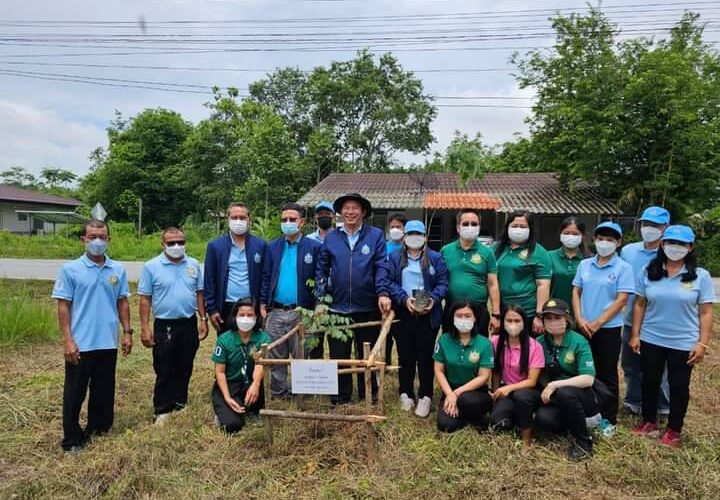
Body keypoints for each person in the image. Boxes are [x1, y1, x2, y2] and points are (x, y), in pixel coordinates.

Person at [629, 225, 715, 447]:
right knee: (649, 380)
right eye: (670, 243)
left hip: (683, 341)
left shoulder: (700, 276)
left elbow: (706, 312)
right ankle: (648, 420)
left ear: (690, 247)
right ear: (662, 245)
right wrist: (635, 334)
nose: (675, 248)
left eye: (681, 244)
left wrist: (702, 343)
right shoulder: (650, 271)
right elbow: (640, 303)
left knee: (678, 385)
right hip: (651, 337)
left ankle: (674, 429)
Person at [51, 219, 132, 452]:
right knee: (75, 393)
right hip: (81, 342)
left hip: (107, 340)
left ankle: (98, 429)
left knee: (104, 389)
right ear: (83, 240)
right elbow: (63, 306)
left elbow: (122, 301)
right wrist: (68, 340)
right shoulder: (70, 270)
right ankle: (72, 439)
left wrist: (127, 332)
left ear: (109, 239)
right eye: (92, 237)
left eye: (102, 237)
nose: (97, 241)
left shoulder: (117, 270)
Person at [315, 192, 392, 404]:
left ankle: (370, 394)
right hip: (337, 308)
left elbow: (381, 267)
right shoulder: (331, 237)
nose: (350, 212)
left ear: (363, 212)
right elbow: (322, 269)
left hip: (367, 306)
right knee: (340, 354)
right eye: (346, 208)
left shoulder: (375, 235)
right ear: (340, 213)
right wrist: (321, 299)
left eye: (354, 208)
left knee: (367, 354)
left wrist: (383, 293)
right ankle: (341, 396)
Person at [138, 227, 208, 424]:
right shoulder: (152, 267)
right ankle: (162, 408)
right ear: (163, 244)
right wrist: (144, 327)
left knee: (185, 364)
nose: (177, 246)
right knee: (164, 366)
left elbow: (199, 293)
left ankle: (180, 402)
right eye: (171, 243)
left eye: (180, 242)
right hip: (164, 324)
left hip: (188, 323)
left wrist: (203, 319)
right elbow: (145, 299)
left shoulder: (193, 264)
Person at [572, 221, 634, 432]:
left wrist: (598, 322)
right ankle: (587, 411)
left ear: (618, 242)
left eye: (610, 239)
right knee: (584, 370)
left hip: (608, 329)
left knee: (607, 374)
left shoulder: (623, 268)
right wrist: (579, 319)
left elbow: (621, 299)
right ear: (594, 240)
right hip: (584, 326)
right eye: (600, 239)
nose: (604, 243)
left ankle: (609, 419)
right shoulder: (585, 265)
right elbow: (576, 291)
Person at [386, 220, 448, 417]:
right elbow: (388, 281)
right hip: (403, 312)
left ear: (425, 237)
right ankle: (406, 393)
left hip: (428, 314)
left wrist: (434, 299)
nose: (414, 237)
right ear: (404, 236)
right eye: (410, 233)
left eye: (418, 233)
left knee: (425, 356)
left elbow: (443, 282)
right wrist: (404, 299)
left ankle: (425, 396)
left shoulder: (435, 258)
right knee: (405, 356)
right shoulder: (394, 257)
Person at [259, 203, 322, 397]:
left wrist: (319, 304)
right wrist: (262, 303)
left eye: (292, 219)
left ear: (302, 222)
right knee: (276, 352)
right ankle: (279, 392)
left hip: (302, 311)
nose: (287, 223)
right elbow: (266, 276)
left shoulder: (314, 247)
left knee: (301, 352)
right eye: (284, 219)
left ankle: (300, 389)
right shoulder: (273, 247)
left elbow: (321, 277)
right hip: (276, 310)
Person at [620, 206, 671, 416]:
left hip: (659, 321)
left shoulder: (671, 253)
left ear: (665, 227)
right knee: (631, 363)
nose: (649, 229)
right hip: (631, 318)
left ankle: (662, 405)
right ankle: (633, 401)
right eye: (646, 224)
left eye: (655, 225)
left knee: (660, 368)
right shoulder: (628, 251)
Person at [534, 299, 598, 461]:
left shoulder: (578, 341)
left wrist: (555, 384)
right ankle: (570, 423)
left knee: (565, 393)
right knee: (544, 420)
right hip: (555, 396)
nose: (552, 322)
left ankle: (584, 442)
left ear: (567, 319)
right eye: (548, 318)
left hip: (580, 395)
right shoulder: (540, 342)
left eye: (557, 318)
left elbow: (588, 379)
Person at [204, 202, 267, 332]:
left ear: (249, 219)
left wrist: (262, 304)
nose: (238, 221)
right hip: (226, 306)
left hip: (251, 305)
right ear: (228, 219)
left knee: (252, 346)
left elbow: (265, 277)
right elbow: (209, 279)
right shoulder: (215, 246)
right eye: (234, 217)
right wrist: (211, 309)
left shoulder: (261, 245)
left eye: (242, 217)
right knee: (228, 345)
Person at [211, 298, 271, 433]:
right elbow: (219, 372)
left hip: (251, 382)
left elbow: (260, 365)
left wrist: (255, 385)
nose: (245, 319)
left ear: (256, 317)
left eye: (250, 315)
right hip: (230, 384)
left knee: (258, 392)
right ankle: (223, 412)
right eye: (241, 315)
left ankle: (252, 410)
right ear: (235, 317)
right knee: (232, 425)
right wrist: (227, 397)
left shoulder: (263, 338)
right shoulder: (224, 340)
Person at [489, 305, 544, 450]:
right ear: (503, 322)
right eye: (509, 320)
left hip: (527, 391)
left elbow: (532, 381)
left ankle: (526, 439)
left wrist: (508, 388)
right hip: (506, 390)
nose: (513, 324)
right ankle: (518, 415)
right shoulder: (495, 342)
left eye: (517, 320)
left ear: (524, 322)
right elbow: (496, 371)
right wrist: (496, 392)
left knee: (521, 397)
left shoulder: (534, 346)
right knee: (498, 423)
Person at [433, 301, 494, 433]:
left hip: (476, 392)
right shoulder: (443, 340)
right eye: (459, 316)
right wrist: (449, 394)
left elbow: (484, 377)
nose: (463, 320)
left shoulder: (484, 344)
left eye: (467, 316)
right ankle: (465, 416)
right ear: (452, 318)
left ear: (475, 318)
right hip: (450, 389)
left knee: (466, 400)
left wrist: (456, 394)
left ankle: (480, 421)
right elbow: (439, 371)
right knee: (445, 425)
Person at [440, 209, 501, 334]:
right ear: (458, 227)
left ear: (479, 227)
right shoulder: (446, 250)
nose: (470, 227)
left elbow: (493, 284)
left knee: (477, 348)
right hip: (452, 308)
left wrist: (496, 314)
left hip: (478, 309)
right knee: (451, 346)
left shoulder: (487, 252)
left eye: (474, 224)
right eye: (465, 224)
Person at [495, 210, 552, 335]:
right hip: (504, 311)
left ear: (530, 229)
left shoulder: (539, 252)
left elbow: (543, 285)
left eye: (523, 226)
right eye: (514, 226)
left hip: (528, 312)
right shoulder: (497, 249)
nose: (518, 229)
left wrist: (539, 315)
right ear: (507, 228)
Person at [549, 216, 590, 308]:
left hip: (582, 313)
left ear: (583, 236)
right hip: (553, 312)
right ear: (560, 234)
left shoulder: (590, 261)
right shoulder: (549, 257)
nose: (570, 236)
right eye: (566, 233)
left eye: (575, 234)